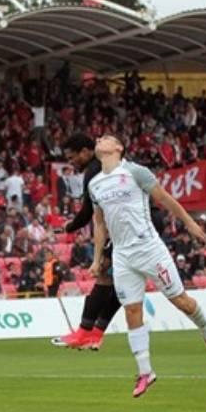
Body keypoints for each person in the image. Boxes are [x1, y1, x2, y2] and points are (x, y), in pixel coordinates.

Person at [88, 134, 206, 398]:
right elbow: (100, 224)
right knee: (132, 312)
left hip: (150, 250)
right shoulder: (95, 184)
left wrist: (190, 223)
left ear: (118, 147)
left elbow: (164, 198)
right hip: (123, 256)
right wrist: (95, 259)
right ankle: (145, 372)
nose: (99, 139)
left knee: (181, 301)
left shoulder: (135, 171)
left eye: (106, 138)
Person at [51, 133, 122, 351]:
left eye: (73, 157)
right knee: (123, 286)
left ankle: (84, 331)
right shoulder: (117, 165)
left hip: (125, 230)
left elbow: (88, 210)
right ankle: (96, 334)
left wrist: (69, 227)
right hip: (138, 226)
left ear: (86, 151)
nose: (71, 163)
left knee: (103, 278)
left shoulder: (94, 170)